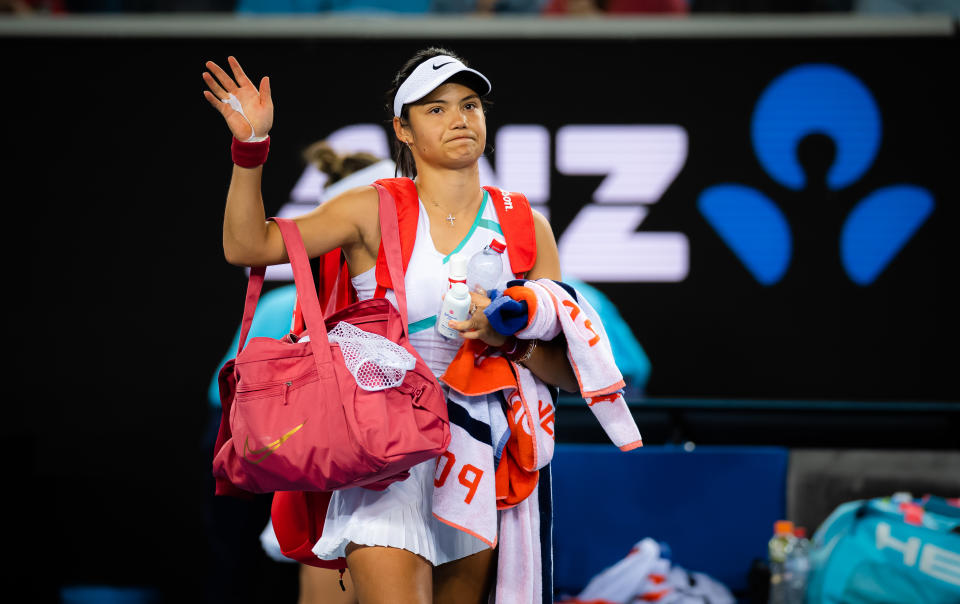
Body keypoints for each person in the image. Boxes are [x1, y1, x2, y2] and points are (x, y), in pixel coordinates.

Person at [202, 47, 578, 603]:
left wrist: (507, 342)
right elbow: (246, 245)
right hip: (380, 446)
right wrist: (250, 150)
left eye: (470, 105)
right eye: (436, 109)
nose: (459, 119)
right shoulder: (367, 210)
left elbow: (568, 374)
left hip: (477, 452)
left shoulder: (527, 226)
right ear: (402, 129)